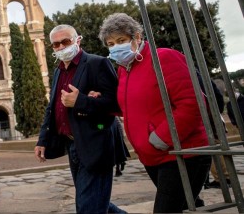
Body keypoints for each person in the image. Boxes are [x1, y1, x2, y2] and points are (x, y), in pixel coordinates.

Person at [98, 12, 211, 213]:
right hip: (153, 156)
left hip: (181, 153)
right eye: (110, 43)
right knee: (187, 206)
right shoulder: (124, 70)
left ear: (138, 37)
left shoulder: (163, 58)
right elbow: (129, 107)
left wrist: (161, 138)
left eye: (121, 40)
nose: (116, 47)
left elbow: (193, 103)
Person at [34, 24, 124, 213]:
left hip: (96, 143)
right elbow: (53, 108)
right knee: (92, 200)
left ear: (77, 40)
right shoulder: (58, 71)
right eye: (55, 45)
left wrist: (81, 101)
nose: (60, 47)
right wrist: (43, 139)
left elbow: (117, 104)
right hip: (73, 145)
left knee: (87, 206)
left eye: (65, 42)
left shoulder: (97, 63)